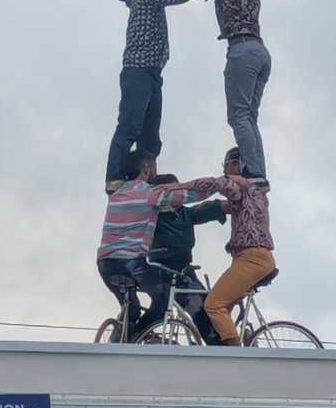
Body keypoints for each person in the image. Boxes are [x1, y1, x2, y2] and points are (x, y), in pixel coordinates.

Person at [164, 147, 276, 346]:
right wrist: (209, 205)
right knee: (224, 308)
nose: (225, 170)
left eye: (226, 165)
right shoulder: (255, 192)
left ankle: (235, 356)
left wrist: (179, 187)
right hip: (253, 258)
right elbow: (230, 205)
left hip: (251, 258)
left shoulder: (240, 184)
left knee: (214, 305)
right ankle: (246, 342)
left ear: (236, 164)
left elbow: (215, 183)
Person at [185, 0, 271, 185]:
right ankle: (258, 173)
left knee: (238, 116)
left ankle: (252, 172)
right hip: (260, 51)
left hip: (241, 49)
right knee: (249, 117)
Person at [105, 0, 192, 191]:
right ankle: (114, 178)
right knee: (131, 126)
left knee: (151, 134)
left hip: (152, 72)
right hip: (138, 70)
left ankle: (147, 178)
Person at [97, 151, 199, 339]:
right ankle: (138, 334)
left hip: (105, 264)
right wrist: (220, 185)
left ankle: (119, 342)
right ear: (146, 168)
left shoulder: (116, 193)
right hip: (132, 263)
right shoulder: (150, 193)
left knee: (131, 308)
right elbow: (190, 196)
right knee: (164, 296)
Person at [150, 173, 228, 344]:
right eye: (174, 191)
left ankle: (222, 341)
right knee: (184, 303)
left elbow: (213, 210)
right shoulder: (152, 215)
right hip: (160, 267)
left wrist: (227, 204)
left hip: (184, 268)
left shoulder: (186, 213)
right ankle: (135, 334)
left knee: (207, 303)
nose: (179, 196)